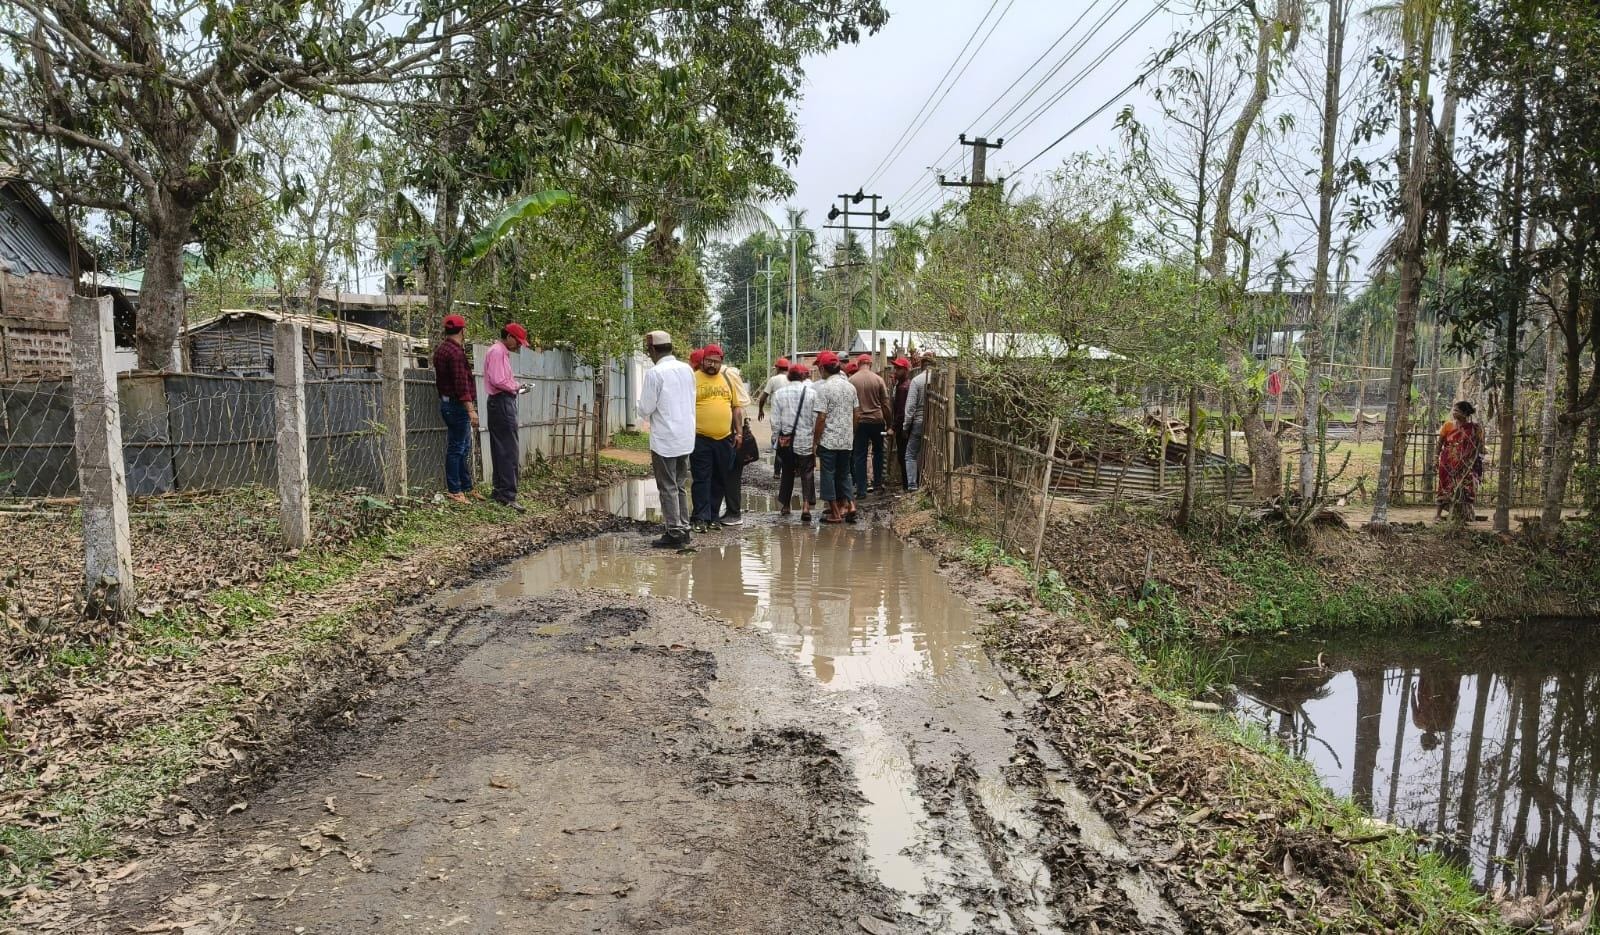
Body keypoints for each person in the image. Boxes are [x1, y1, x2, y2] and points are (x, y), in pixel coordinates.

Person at [637, 331, 696, 548]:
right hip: (685, 437)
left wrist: (638, 405)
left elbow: (645, 409)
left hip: (665, 440)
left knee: (668, 486)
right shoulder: (687, 369)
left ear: (652, 350)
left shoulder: (655, 373)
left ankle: (674, 533)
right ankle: (684, 527)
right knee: (680, 484)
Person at [690, 344, 746, 529]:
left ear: (721, 362)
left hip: (725, 438)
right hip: (700, 438)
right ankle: (700, 518)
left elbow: (736, 408)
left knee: (720, 478)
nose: (712, 365)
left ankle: (713, 516)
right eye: (709, 361)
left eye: (716, 362)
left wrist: (739, 433)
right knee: (701, 478)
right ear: (703, 360)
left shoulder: (727, 380)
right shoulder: (693, 379)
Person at [432, 313, 479, 504]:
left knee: (463, 446)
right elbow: (461, 385)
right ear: (462, 330)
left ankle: (466, 487)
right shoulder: (456, 353)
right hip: (457, 405)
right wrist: (470, 409)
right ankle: (455, 489)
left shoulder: (441, 350)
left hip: (447, 403)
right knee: (457, 448)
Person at [483, 322, 529, 511]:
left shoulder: (500, 352)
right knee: (509, 449)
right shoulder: (498, 352)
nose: (519, 345)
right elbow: (498, 380)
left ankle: (500, 491)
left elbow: (502, 378)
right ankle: (508, 495)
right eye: (517, 341)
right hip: (501, 402)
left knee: (500, 448)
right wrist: (516, 387)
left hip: (499, 402)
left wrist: (516, 385)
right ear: (509, 336)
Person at [812, 350, 859, 524]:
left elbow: (821, 418)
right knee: (844, 474)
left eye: (819, 367)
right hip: (846, 440)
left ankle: (835, 513)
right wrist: (851, 433)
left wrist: (815, 441)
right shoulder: (850, 387)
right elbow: (857, 415)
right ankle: (851, 505)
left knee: (828, 475)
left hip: (828, 442)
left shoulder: (824, 389)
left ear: (823, 368)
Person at [771, 363, 818, 520]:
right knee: (807, 472)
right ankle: (806, 506)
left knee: (787, 471)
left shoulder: (779, 394)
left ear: (789, 376)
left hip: (786, 440)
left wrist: (775, 440)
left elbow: (775, 421)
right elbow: (815, 418)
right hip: (806, 439)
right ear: (803, 376)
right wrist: (815, 439)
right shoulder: (811, 393)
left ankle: (785, 505)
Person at [1436, 400, 1485, 522]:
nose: (1453, 412)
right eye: (1454, 409)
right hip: (1448, 462)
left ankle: (1463, 516)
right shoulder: (1448, 426)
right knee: (1444, 487)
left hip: (1467, 464)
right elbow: (1440, 443)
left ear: (1465, 413)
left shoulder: (1475, 428)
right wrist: (1435, 457)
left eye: (1457, 410)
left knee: (1466, 487)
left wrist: (1472, 456)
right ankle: (1437, 515)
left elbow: (1480, 446)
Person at [849, 354, 891, 496]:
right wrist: (889, 424)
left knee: (860, 455)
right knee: (878, 452)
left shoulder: (852, 380)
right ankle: (878, 484)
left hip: (860, 422)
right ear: (870, 364)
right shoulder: (878, 380)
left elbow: (849, 405)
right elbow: (885, 404)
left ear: (859, 364)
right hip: (877, 421)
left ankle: (861, 489)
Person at [719, 356, 753, 522]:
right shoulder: (726, 375)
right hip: (730, 433)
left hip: (732, 434)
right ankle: (730, 510)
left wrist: (738, 434)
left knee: (732, 473)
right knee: (728, 473)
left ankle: (733, 513)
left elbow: (737, 409)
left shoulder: (726, 376)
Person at [902, 352, 936, 492]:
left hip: (919, 421)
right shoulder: (939, 379)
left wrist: (906, 426)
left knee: (910, 454)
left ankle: (912, 485)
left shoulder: (917, 381)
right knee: (932, 450)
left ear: (922, 365)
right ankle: (932, 481)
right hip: (935, 421)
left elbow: (910, 407)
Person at [758, 358, 791, 477]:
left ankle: (777, 472)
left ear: (777, 368)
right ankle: (791, 470)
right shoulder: (792, 379)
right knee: (790, 442)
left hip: (777, 415)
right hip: (791, 415)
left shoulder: (773, 380)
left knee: (778, 442)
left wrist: (760, 410)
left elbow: (763, 397)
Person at [888, 356, 912, 490]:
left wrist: (894, 427)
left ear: (905, 370)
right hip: (904, 427)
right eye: (895, 368)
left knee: (904, 456)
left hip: (904, 428)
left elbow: (901, 411)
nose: (895, 371)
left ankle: (907, 485)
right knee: (904, 456)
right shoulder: (901, 385)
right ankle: (907, 484)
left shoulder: (904, 388)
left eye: (898, 369)